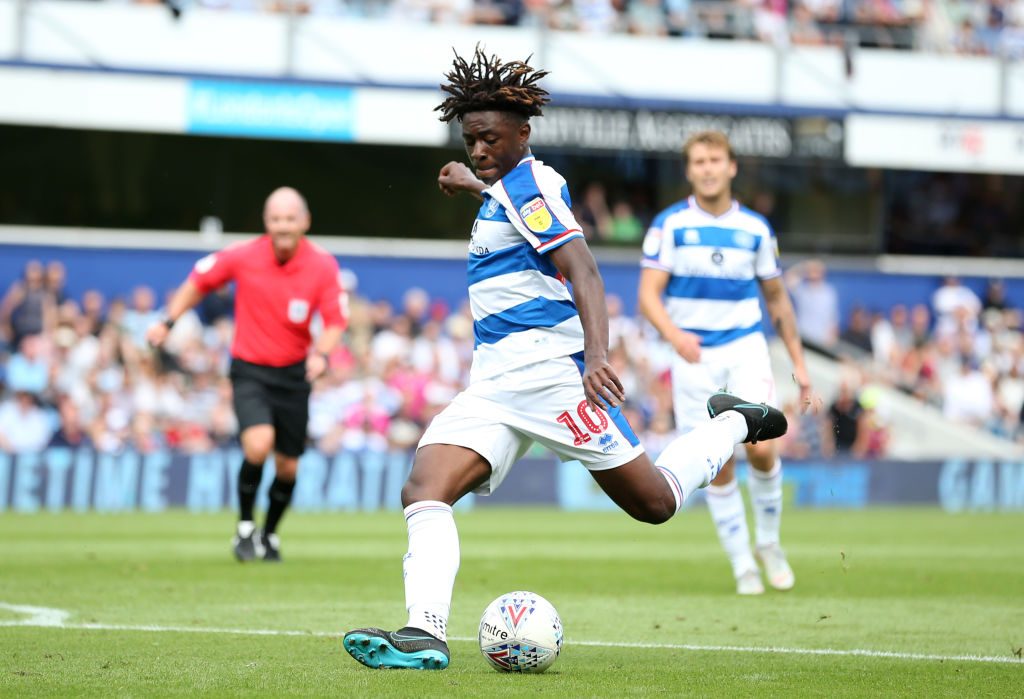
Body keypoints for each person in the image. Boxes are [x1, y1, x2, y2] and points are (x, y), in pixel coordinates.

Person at [341, 47, 787, 671]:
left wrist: (596, 355)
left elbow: (583, 267)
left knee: (655, 503)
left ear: (523, 134)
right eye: (470, 141)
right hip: (495, 381)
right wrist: (474, 185)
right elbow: (512, 210)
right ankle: (425, 634)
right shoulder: (507, 188)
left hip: (551, 377)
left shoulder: (531, 183)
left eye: (489, 140)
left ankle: (737, 421)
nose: (478, 151)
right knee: (424, 488)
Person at [637, 130, 814, 596]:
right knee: (718, 465)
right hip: (694, 360)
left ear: (731, 167)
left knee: (763, 447)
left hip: (744, 349)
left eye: (716, 160)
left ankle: (770, 543)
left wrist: (800, 365)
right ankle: (743, 565)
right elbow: (648, 294)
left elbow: (777, 301)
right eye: (699, 161)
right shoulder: (669, 226)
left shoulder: (756, 229)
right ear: (689, 170)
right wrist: (675, 336)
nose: (708, 168)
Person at [145, 187, 347, 563]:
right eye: (275, 219)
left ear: (305, 221)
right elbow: (198, 282)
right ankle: (243, 528)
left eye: (289, 219)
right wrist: (167, 320)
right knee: (257, 445)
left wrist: (321, 354)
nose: (282, 226)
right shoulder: (242, 255)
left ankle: (269, 534)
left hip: (294, 374)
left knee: (288, 466)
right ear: (266, 222)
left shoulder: (323, 266)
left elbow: (336, 319)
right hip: (250, 369)